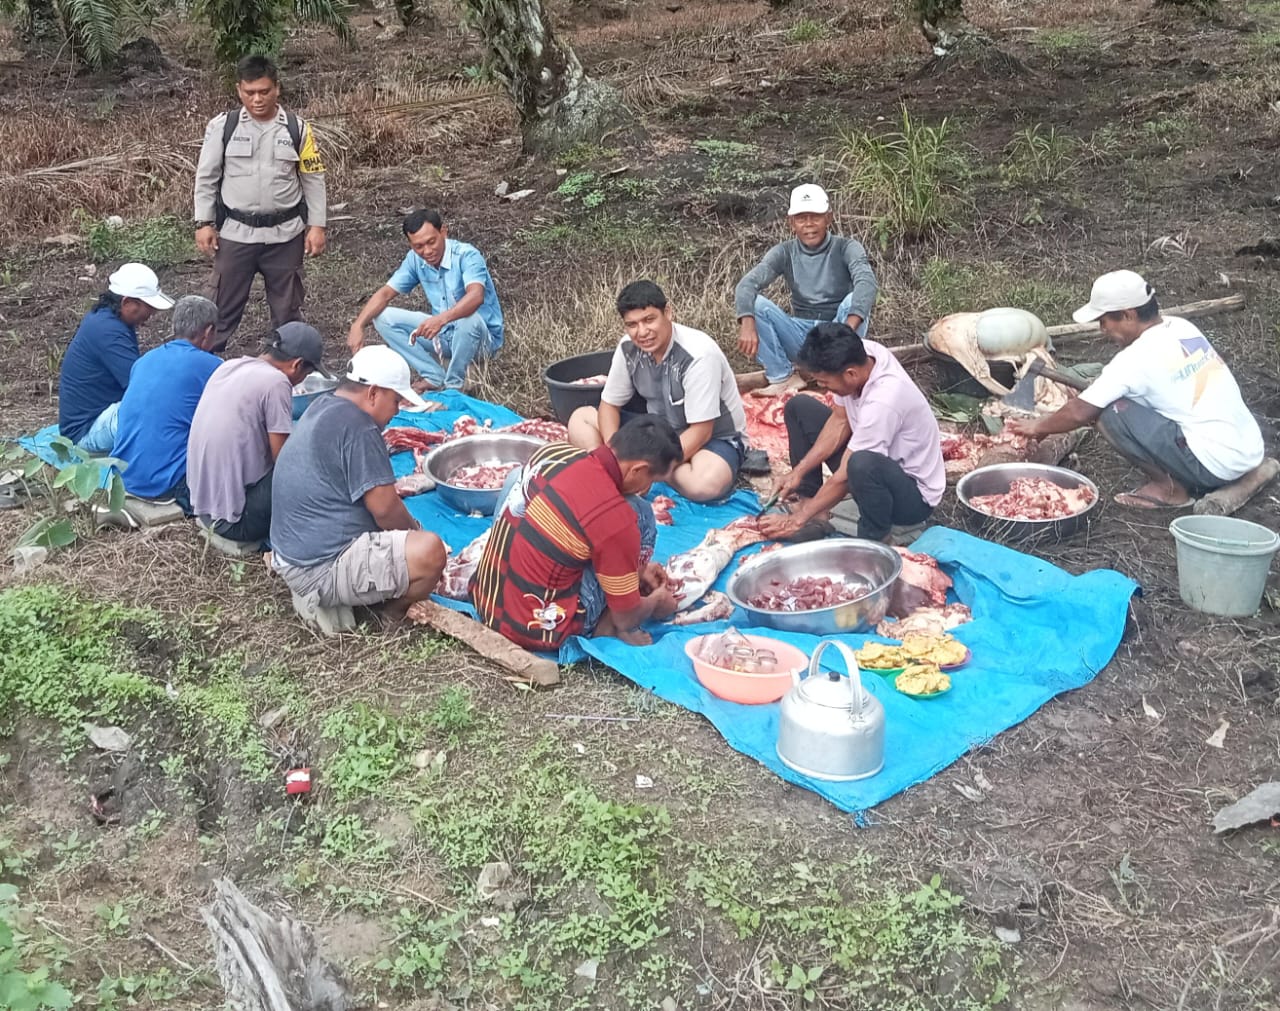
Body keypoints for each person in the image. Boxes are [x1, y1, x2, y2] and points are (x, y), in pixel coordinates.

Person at [1006, 270, 1265, 509]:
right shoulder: (1181, 327)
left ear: (1128, 314)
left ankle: (1170, 490)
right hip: (1248, 451)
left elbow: (1080, 412)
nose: (1103, 330)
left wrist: (1038, 426)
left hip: (1213, 467)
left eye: (1105, 321)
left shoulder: (1135, 359)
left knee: (1106, 411)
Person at [471, 416, 684, 651]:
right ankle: (604, 624)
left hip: (487, 598)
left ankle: (625, 578)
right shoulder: (616, 520)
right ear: (638, 470)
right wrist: (656, 602)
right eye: (652, 479)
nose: (649, 488)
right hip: (538, 629)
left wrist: (637, 568)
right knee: (642, 514)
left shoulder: (555, 452)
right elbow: (627, 616)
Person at [270, 345, 446, 625]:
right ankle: (390, 612)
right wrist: (415, 532)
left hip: (292, 551)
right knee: (430, 552)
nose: (396, 411)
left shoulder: (324, 405)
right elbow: (385, 510)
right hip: (318, 568)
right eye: (396, 401)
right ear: (374, 393)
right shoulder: (358, 426)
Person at [760, 322, 945, 543]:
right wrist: (797, 472)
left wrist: (796, 520)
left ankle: (876, 538)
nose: (822, 387)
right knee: (799, 407)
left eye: (826, 383)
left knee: (861, 464)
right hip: (876, 465)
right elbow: (839, 420)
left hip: (912, 496)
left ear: (850, 374)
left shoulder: (884, 400)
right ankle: (814, 510)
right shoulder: (863, 354)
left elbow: (845, 474)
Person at [567, 280, 748, 502]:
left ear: (668, 312)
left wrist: (648, 473)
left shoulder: (698, 355)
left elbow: (702, 431)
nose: (642, 332)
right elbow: (609, 405)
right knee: (580, 419)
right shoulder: (627, 347)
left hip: (712, 438)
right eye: (632, 324)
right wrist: (616, 458)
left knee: (705, 484)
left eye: (649, 320)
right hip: (655, 431)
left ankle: (645, 473)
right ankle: (607, 471)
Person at [194, 54, 327, 347]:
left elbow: (313, 178)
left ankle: (290, 371)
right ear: (239, 90)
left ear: (277, 89)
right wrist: (204, 222)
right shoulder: (223, 127)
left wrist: (317, 225)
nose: (257, 99)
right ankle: (205, 368)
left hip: (285, 235)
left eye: (264, 91)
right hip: (236, 234)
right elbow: (206, 176)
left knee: (287, 311)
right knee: (221, 310)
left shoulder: (298, 128)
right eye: (249, 92)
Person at [187, 321, 331, 545]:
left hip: (202, 507)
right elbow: (284, 461)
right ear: (297, 365)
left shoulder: (229, 366)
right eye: (307, 373)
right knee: (314, 465)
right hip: (235, 522)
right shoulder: (276, 383)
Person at [734, 184, 879, 397]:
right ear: (791, 222)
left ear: (828, 218)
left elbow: (867, 281)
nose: (809, 224)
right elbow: (747, 284)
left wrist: (846, 331)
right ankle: (782, 376)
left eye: (815, 217)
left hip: (838, 329)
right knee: (755, 305)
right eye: (802, 218)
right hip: (803, 337)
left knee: (852, 299)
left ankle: (841, 370)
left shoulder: (846, 247)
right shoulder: (784, 252)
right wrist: (746, 321)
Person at [347, 209, 503, 391]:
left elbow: (476, 296)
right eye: (419, 246)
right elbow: (385, 293)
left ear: (443, 232)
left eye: (431, 242)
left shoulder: (467, 255)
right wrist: (357, 325)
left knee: (468, 318)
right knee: (383, 317)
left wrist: (441, 319)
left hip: (481, 340)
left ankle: (454, 387)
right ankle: (433, 375)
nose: (427, 251)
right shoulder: (415, 260)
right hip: (445, 335)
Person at [110, 296, 221, 510]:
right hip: (167, 483)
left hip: (122, 476)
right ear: (208, 332)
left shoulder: (144, 361)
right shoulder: (212, 366)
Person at [59, 262, 175, 453]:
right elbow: (140, 387)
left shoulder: (107, 319)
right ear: (127, 302)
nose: (152, 313)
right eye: (148, 306)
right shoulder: (109, 332)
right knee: (156, 409)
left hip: (97, 415)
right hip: (85, 432)